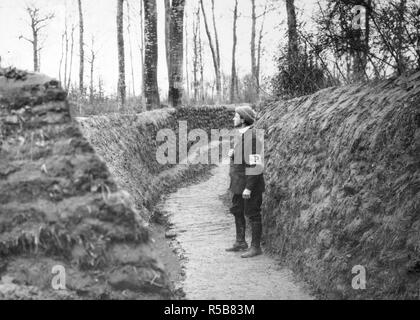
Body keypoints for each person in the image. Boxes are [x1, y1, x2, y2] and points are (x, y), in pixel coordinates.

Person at [226, 105, 265, 258]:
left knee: (253, 213)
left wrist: (248, 188)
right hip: (237, 183)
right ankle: (240, 242)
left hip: (250, 185)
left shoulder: (253, 138)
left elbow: (255, 164)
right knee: (237, 210)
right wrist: (233, 154)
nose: (233, 118)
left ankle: (256, 247)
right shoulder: (240, 135)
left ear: (243, 120)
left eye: (236, 116)